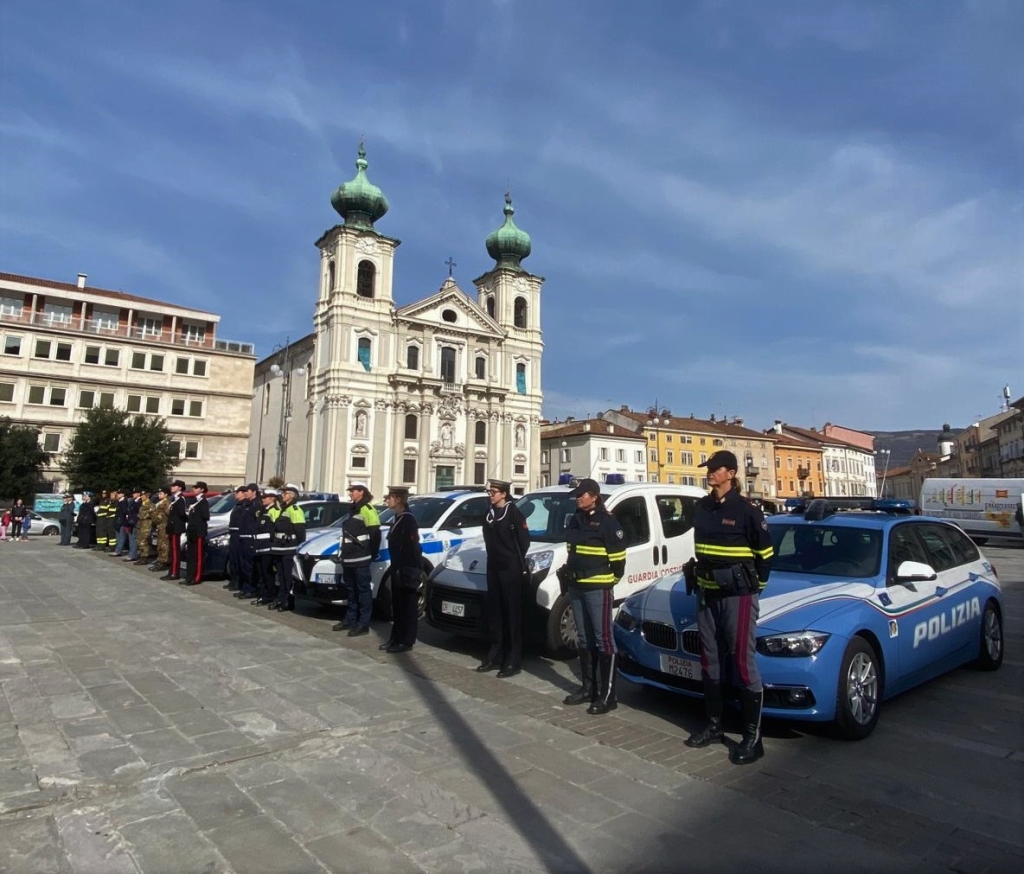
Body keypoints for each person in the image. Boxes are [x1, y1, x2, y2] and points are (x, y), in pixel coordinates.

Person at [684, 450, 774, 765]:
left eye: (715, 469)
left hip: (739, 596)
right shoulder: (702, 507)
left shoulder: (747, 510)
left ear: (731, 473)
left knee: (742, 662)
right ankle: (714, 726)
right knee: (709, 660)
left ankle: (753, 737)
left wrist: (752, 590)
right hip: (707, 594)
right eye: (708, 468)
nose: (709, 473)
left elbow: (766, 556)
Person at [560, 478, 626, 715]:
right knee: (585, 638)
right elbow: (571, 550)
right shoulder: (576, 519)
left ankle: (608, 695)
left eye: (582, 495)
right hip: (577, 586)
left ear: (594, 496)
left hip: (598, 587)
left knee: (603, 638)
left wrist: (609, 582)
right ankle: (588, 688)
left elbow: (619, 561)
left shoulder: (608, 522)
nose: (578, 498)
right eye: (577, 495)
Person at [477, 479, 530, 677]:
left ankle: (513, 660)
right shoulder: (488, 514)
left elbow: (524, 542)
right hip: (493, 567)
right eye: (489, 492)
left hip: (510, 568)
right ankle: (495, 653)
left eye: (494, 492)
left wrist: (512, 560)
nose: (490, 495)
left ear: (504, 494)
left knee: (512, 614)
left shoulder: (514, 513)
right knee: (495, 612)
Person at [334, 481, 381, 636]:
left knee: (363, 590)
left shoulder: (368, 509)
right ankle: (350, 619)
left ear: (361, 492)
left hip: (361, 556)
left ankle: (363, 623)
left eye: (353, 491)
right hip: (349, 557)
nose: (350, 493)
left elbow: (375, 534)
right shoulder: (353, 509)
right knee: (350, 590)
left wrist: (371, 553)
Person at [380, 486, 422, 654]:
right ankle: (396, 637)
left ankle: (406, 640)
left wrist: (412, 570)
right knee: (397, 606)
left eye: (389, 497)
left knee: (408, 606)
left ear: (398, 500)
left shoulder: (408, 520)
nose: (386, 500)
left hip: (407, 569)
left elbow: (413, 547)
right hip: (397, 568)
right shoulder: (397, 518)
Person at [270, 484, 306, 610]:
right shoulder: (284, 509)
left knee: (287, 576)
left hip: (289, 549)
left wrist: (299, 548)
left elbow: (300, 531)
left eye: (285, 493)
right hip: (279, 548)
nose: (282, 495)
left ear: (292, 495)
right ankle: (281, 598)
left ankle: (288, 601)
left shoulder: (295, 510)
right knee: (280, 576)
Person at [251, 488, 281, 606]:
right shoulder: (263, 511)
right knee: (261, 573)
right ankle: (263, 594)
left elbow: (276, 529)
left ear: (272, 498)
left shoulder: (275, 511)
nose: (263, 500)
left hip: (268, 547)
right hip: (259, 547)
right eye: (262, 497)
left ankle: (269, 595)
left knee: (268, 574)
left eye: (265, 497)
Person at [231, 483, 260, 599]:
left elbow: (256, 522)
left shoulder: (256, 504)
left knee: (249, 566)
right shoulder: (246, 504)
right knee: (243, 565)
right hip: (242, 537)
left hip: (250, 538)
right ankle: (245, 587)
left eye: (248, 491)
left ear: (254, 492)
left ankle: (251, 589)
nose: (246, 493)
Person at [184, 481, 210, 585]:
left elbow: (206, 516)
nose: (194, 489)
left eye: (197, 487)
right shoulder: (194, 501)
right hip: (191, 531)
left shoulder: (203, 501)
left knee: (198, 556)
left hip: (198, 532)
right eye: (194, 487)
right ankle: (189, 576)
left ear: (202, 489)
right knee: (191, 555)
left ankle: (197, 577)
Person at [160, 480, 188, 580]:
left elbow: (182, 514)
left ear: (180, 488)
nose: (172, 487)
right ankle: (172, 571)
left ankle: (174, 573)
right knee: (172, 551)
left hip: (176, 528)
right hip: (172, 527)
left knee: (175, 551)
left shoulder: (180, 499)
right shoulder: (174, 498)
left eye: (174, 486)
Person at [150, 487, 171, 571]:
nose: (159, 495)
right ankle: (160, 560)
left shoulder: (166, 503)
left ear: (166, 494)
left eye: (161, 493)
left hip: (163, 525)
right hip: (159, 525)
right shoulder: (159, 503)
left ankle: (163, 561)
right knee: (159, 543)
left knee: (164, 544)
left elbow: (168, 514)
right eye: (158, 493)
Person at [134, 488, 155, 565]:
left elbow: (151, 514)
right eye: (141, 495)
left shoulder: (150, 504)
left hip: (146, 525)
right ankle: (142, 556)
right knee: (139, 540)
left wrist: (142, 515)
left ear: (147, 496)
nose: (141, 496)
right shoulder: (142, 503)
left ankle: (145, 557)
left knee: (144, 541)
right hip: (141, 524)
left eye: (143, 495)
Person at [112, 489, 129, 556]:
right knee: (118, 536)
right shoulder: (119, 501)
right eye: (118, 494)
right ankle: (118, 549)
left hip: (122, 521)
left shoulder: (124, 501)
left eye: (119, 494)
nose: (118, 495)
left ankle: (119, 550)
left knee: (121, 536)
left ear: (123, 494)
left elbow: (124, 512)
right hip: (117, 521)